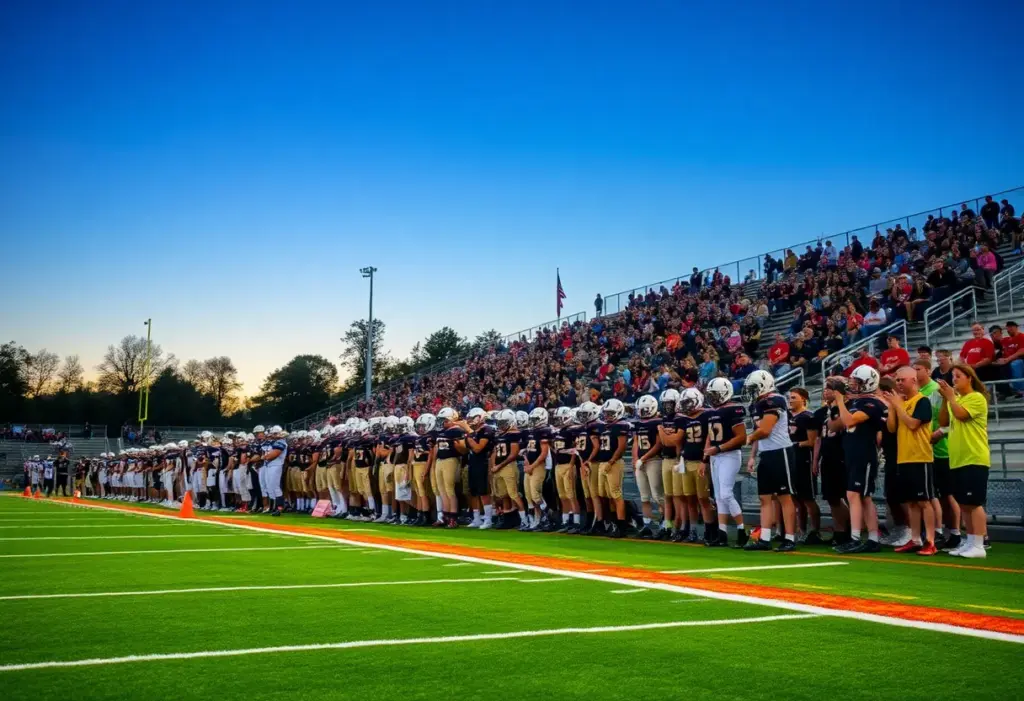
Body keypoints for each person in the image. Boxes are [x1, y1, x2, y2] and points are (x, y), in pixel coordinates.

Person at [882, 367, 937, 555]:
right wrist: (892, 406)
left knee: (924, 501)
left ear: (913, 380)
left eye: (902, 380)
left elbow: (914, 424)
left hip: (920, 456)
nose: (898, 384)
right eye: (897, 381)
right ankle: (915, 539)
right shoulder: (900, 403)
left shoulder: (922, 401)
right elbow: (890, 428)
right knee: (912, 502)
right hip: (903, 457)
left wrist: (897, 405)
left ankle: (930, 540)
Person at [831, 365, 885, 554]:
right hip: (853, 453)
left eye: (857, 381)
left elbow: (849, 421)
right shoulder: (858, 402)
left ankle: (855, 537)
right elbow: (834, 425)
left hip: (864, 453)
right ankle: (872, 538)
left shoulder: (872, 403)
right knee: (864, 497)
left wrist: (840, 400)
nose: (853, 384)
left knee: (854, 495)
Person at [938, 364, 990, 558]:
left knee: (973, 502)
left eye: (958, 376)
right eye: (953, 376)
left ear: (969, 378)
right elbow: (943, 421)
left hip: (974, 456)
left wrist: (951, 397)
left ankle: (979, 544)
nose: (954, 379)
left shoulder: (976, 398)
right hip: (959, 458)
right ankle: (970, 542)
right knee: (964, 503)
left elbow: (961, 415)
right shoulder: (956, 399)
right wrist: (946, 399)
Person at [743, 370, 797, 552]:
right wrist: (752, 455)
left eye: (753, 388)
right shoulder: (758, 404)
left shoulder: (775, 400)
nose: (750, 392)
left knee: (784, 496)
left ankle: (789, 538)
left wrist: (748, 438)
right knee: (764, 497)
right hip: (766, 453)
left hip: (780, 451)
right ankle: (764, 538)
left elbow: (765, 430)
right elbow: (760, 436)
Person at [915, 359, 960, 551]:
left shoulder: (935, 390)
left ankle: (955, 533)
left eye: (917, 369)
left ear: (927, 370)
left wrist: (940, 432)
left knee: (949, 495)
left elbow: (946, 418)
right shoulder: (920, 392)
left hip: (942, 449)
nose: (915, 373)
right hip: (928, 450)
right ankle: (945, 533)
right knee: (938, 495)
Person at [702, 377, 749, 547]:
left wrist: (719, 448)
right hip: (716, 455)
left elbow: (742, 438)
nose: (712, 397)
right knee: (719, 496)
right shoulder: (712, 411)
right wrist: (706, 456)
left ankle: (742, 530)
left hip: (729, 454)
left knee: (726, 494)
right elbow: (710, 434)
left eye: (715, 394)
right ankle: (722, 533)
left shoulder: (734, 409)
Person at [813, 385, 849, 544]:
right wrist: (815, 460)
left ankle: (851, 529)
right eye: (825, 389)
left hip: (843, 455)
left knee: (849, 496)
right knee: (832, 497)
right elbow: (818, 438)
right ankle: (839, 531)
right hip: (827, 456)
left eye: (831, 388)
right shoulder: (820, 413)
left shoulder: (847, 408)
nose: (826, 391)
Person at [788, 387, 822, 544]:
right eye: (790, 397)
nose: (790, 400)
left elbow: (812, 441)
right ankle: (802, 530)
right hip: (791, 460)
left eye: (794, 397)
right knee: (796, 499)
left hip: (804, 459)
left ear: (803, 399)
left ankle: (815, 530)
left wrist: (795, 445)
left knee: (808, 498)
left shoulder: (809, 417)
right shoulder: (787, 416)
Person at [996, 320, 1024, 394]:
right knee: (995, 366)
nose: (1009, 330)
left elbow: (1021, 351)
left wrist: (1007, 359)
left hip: (1019, 360)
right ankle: (1005, 391)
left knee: (1015, 364)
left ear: (1016, 328)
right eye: (1007, 329)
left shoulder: (1022, 337)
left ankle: (1020, 390)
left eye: (1011, 328)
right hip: (1007, 360)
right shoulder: (1006, 340)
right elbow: (996, 339)